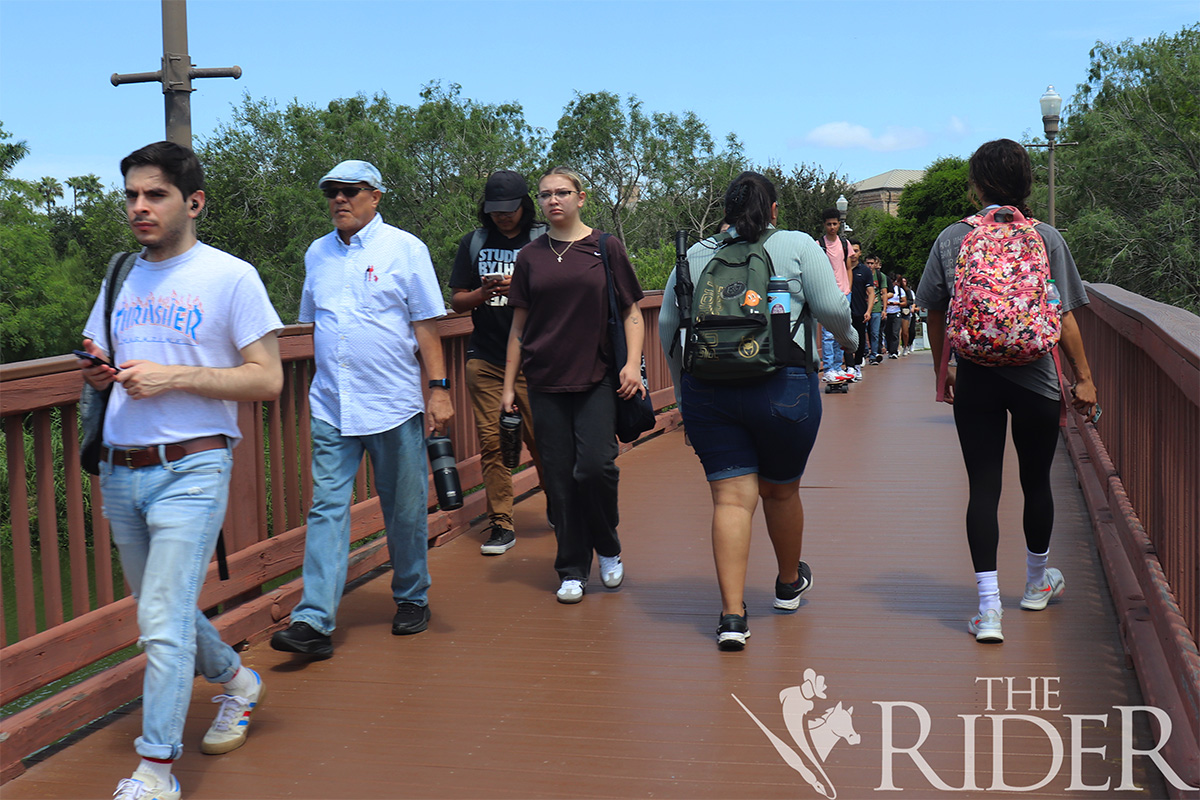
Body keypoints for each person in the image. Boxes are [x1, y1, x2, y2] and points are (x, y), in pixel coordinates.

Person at [78, 141, 284, 800]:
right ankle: (238, 684)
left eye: (155, 195)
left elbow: (268, 378)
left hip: (193, 466)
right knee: (161, 614)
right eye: (133, 196)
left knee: (161, 622)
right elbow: (101, 352)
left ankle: (155, 769)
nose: (140, 207)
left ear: (193, 202)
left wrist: (173, 377)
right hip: (121, 467)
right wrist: (100, 367)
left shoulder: (231, 277)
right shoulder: (118, 275)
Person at [659, 172, 856, 650]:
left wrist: (685, 397)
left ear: (724, 210)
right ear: (772, 211)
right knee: (781, 492)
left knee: (730, 500)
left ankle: (731, 617)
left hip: (708, 390)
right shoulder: (797, 244)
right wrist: (850, 342)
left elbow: (668, 325)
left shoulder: (697, 253)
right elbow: (831, 308)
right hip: (783, 388)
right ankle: (788, 584)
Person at [916, 138, 1098, 644]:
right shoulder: (1046, 237)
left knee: (984, 488)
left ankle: (989, 609)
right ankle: (1037, 583)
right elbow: (1063, 314)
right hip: (1038, 376)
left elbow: (933, 309)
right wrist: (1083, 377)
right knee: (1036, 481)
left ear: (976, 186)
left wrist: (943, 368)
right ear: (1026, 184)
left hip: (975, 374)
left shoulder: (953, 238)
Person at [271, 160, 453, 659]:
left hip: (392, 403)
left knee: (406, 508)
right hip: (332, 402)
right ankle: (313, 622)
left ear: (375, 195)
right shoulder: (317, 254)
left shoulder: (405, 248)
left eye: (349, 191)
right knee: (327, 508)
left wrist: (438, 388)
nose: (339, 199)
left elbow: (426, 327)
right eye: (331, 191)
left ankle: (412, 595)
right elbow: (314, 326)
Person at [501, 167, 645, 604]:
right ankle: (571, 567)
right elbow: (519, 328)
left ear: (581, 197)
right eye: (545, 195)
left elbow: (632, 312)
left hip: (597, 377)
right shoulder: (529, 256)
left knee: (596, 468)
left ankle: (609, 544)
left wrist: (633, 366)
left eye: (562, 192)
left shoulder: (605, 247)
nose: (553, 201)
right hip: (544, 381)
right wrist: (509, 386)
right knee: (560, 479)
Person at [449, 170, 547, 555]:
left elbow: (560, 296)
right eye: (494, 211)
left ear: (524, 205)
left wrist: (521, 290)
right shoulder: (473, 243)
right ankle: (501, 524)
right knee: (493, 443)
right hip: (486, 357)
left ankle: (558, 501)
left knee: (544, 441)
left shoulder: (543, 242)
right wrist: (482, 292)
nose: (502, 217)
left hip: (535, 360)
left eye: (509, 210)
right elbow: (457, 300)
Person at [816, 208, 853, 382]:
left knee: (843, 332)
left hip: (844, 293)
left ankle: (838, 366)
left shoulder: (845, 244)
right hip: (827, 293)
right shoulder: (819, 245)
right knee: (829, 333)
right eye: (829, 224)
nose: (832, 227)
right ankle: (829, 368)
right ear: (824, 225)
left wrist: (849, 288)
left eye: (835, 224)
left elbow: (849, 267)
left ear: (839, 224)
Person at [844, 238, 874, 381]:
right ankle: (849, 366)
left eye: (856, 251)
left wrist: (868, 311)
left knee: (861, 339)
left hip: (860, 311)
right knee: (845, 339)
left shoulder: (865, 271)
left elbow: (871, 293)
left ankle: (857, 365)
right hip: (844, 311)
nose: (853, 254)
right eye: (851, 251)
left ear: (860, 253)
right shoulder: (842, 268)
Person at [866, 255, 889, 364]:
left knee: (875, 333)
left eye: (872, 263)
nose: (870, 265)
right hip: (864, 308)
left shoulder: (880, 276)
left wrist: (884, 309)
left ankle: (874, 355)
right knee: (863, 331)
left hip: (876, 309)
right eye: (868, 263)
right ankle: (865, 352)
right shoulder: (863, 274)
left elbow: (884, 293)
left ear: (876, 264)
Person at [883, 272, 904, 358]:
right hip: (887, 313)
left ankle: (894, 351)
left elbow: (905, 302)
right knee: (887, 332)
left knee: (895, 332)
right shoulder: (885, 290)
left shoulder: (899, 290)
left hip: (896, 312)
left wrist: (897, 303)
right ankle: (889, 349)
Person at [896, 275, 914, 356]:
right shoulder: (894, 290)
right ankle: (898, 347)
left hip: (905, 311)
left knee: (905, 331)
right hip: (896, 311)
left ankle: (906, 346)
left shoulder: (907, 291)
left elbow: (910, 301)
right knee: (897, 331)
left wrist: (903, 303)